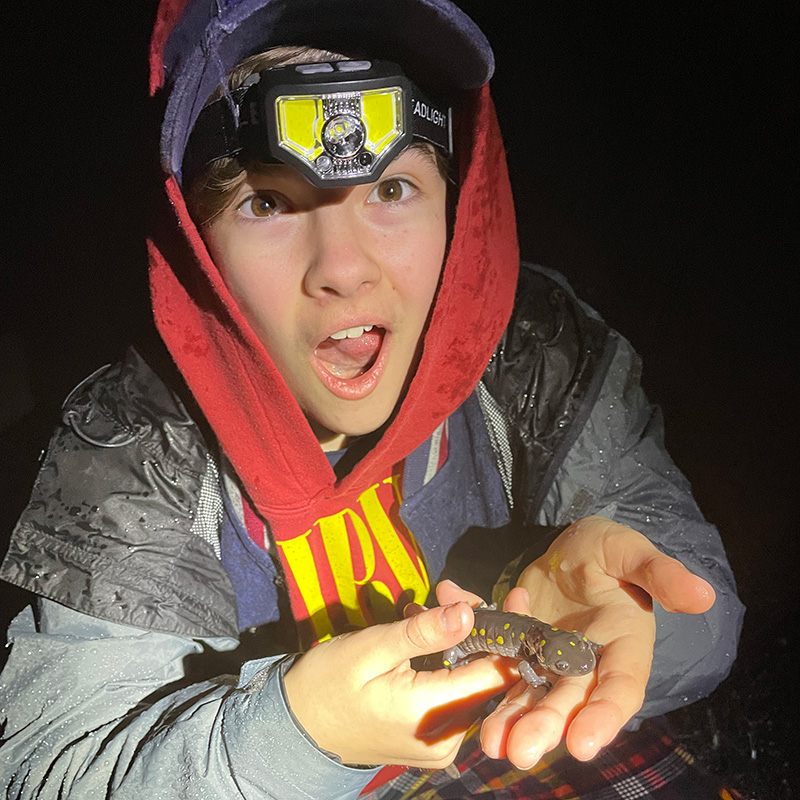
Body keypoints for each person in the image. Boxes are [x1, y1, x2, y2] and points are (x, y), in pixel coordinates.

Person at [0, 0, 744, 797]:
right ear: (196, 242)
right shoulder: (131, 448)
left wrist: (636, 622)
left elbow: (698, 599)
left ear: (459, 204)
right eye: (268, 202)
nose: (345, 268)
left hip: (514, 735)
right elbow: (52, 771)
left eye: (391, 187)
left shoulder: (531, 346)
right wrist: (295, 735)